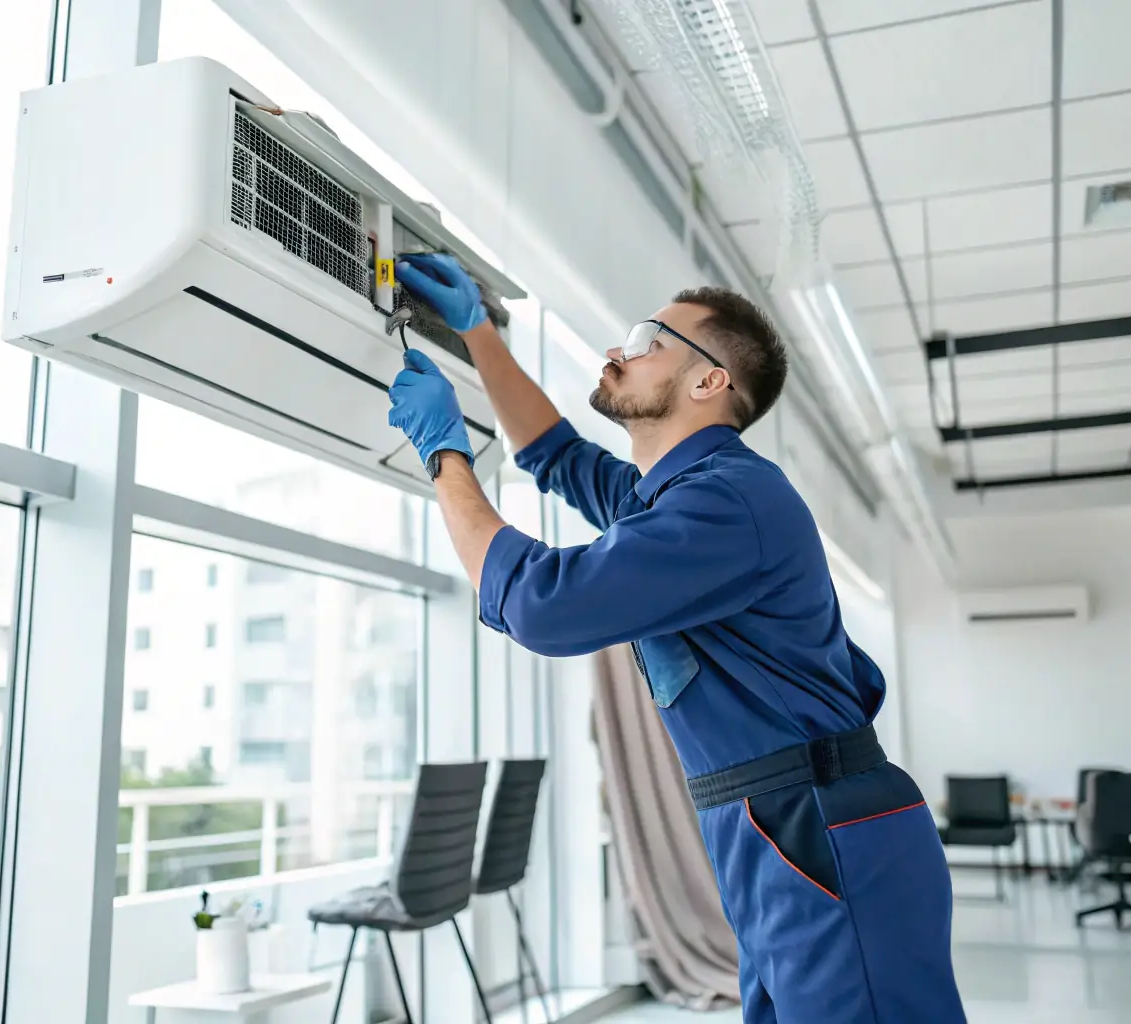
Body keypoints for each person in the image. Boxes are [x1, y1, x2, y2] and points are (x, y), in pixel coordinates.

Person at [386, 252, 966, 1024]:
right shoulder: (673, 498)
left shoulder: (725, 504)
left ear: (708, 382)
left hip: (818, 825)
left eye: (646, 340)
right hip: (773, 827)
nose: (616, 351)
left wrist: (443, 452)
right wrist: (478, 332)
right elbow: (556, 456)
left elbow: (542, 605)